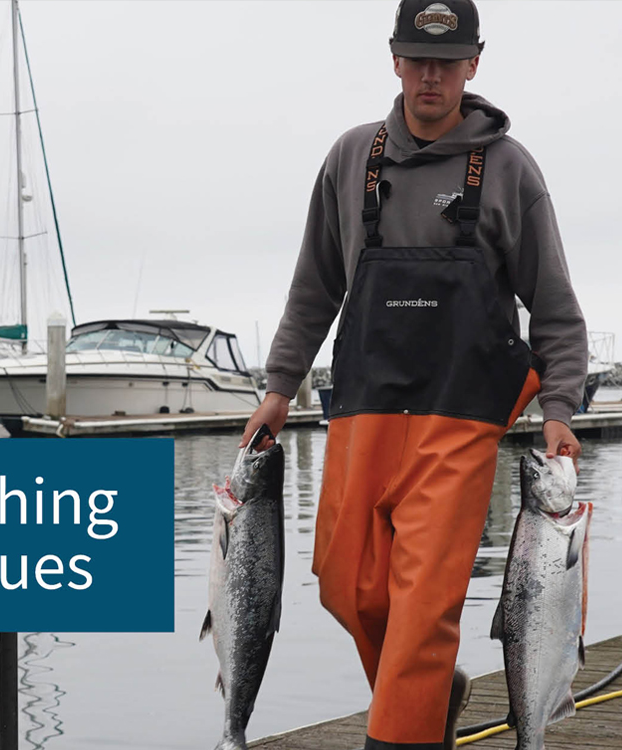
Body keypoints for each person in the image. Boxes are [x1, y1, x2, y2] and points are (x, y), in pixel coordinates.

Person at [240, 1, 588, 747]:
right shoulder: (348, 159)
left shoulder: (508, 168)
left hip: (458, 427)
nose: (433, 75)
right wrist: (277, 389)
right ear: (395, 59)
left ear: (475, 62)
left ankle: (401, 731)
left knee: (423, 609)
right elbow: (314, 289)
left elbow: (556, 310)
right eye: (419, 58)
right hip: (363, 415)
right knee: (349, 588)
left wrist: (558, 406)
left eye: (449, 60)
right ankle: (433, 694)